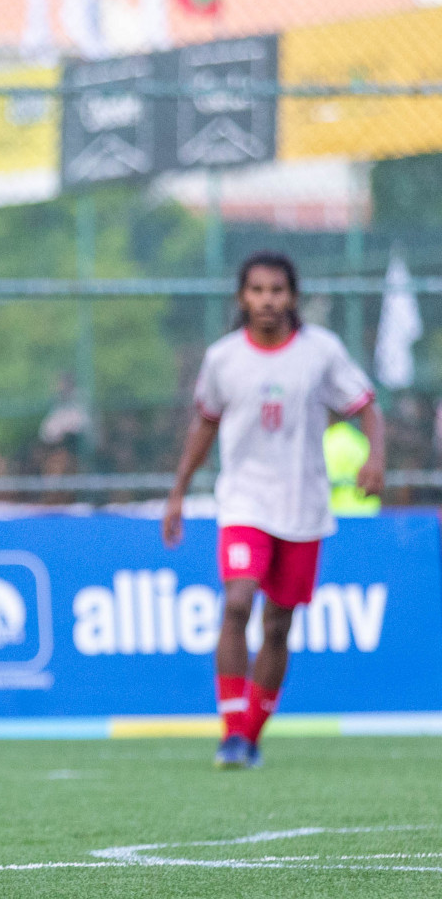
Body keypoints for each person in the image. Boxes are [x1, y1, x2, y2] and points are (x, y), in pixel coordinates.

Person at [163, 251, 384, 770]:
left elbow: (366, 407)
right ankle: (232, 730)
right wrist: (178, 491)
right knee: (237, 601)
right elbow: (205, 424)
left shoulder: (320, 351)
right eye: (257, 290)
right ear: (242, 297)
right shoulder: (222, 358)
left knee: (278, 625)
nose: (267, 300)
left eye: (277, 290)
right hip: (244, 500)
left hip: (303, 505)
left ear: (292, 296)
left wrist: (376, 458)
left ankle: (251, 736)